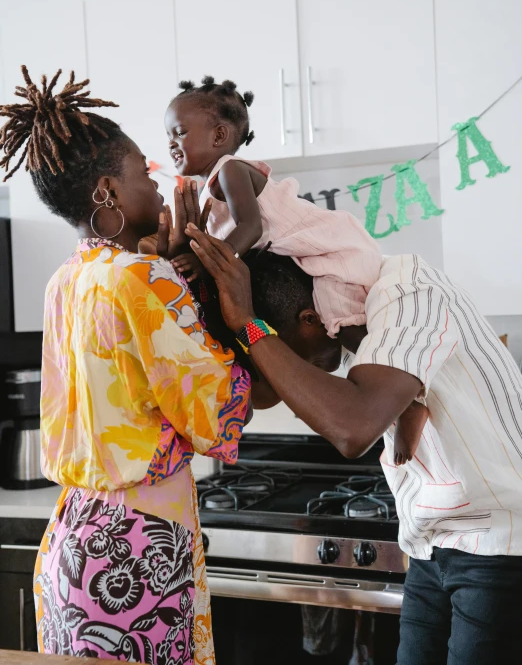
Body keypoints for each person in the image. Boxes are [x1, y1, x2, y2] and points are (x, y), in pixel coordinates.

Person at [0, 66, 251, 664]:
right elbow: (218, 413)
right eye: (144, 169)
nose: (159, 180)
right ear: (108, 191)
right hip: (135, 551)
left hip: (73, 548)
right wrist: (250, 324)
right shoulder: (143, 278)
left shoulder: (69, 279)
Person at [184, 228, 522, 665]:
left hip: (499, 543)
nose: (296, 371)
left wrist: (250, 325)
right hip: (429, 546)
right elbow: (261, 395)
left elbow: (352, 428)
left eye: (289, 350)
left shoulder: (408, 292)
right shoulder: (352, 328)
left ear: (309, 320)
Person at [165, 75, 427, 466]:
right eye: (168, 134)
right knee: (344, 333)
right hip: (304, 255)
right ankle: (402, 405)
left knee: (348, 328)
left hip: (326, 247)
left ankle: (410, 402)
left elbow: (250, 228)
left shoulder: (230, 170)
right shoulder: (204, 191)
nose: (171, 142)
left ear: (219, 135)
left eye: (179, 132)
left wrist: (209, 265)